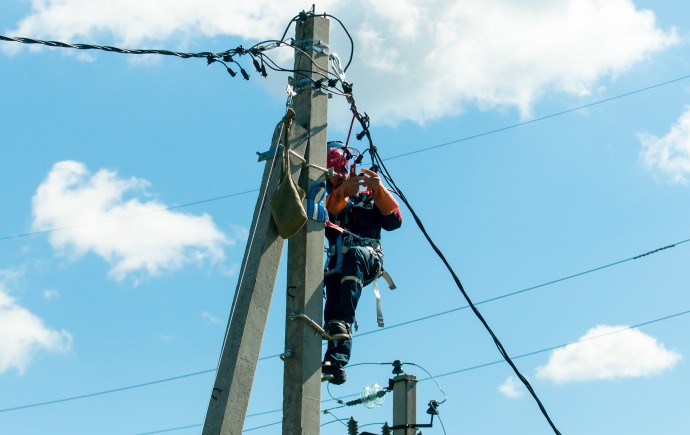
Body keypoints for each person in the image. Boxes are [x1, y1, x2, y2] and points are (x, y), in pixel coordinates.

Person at [321, 145, 403, 385]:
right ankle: (335, 362)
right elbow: (329, 215)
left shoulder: (367, 197)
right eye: (332, 172)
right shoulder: (324, 199)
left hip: (367, 256)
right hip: (340, 262)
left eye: (340, 169)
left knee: (355, 257)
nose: (338, 175)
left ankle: (344, 321)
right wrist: (342, 193)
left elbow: (394, 222)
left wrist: (378, 189)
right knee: (333, 305)